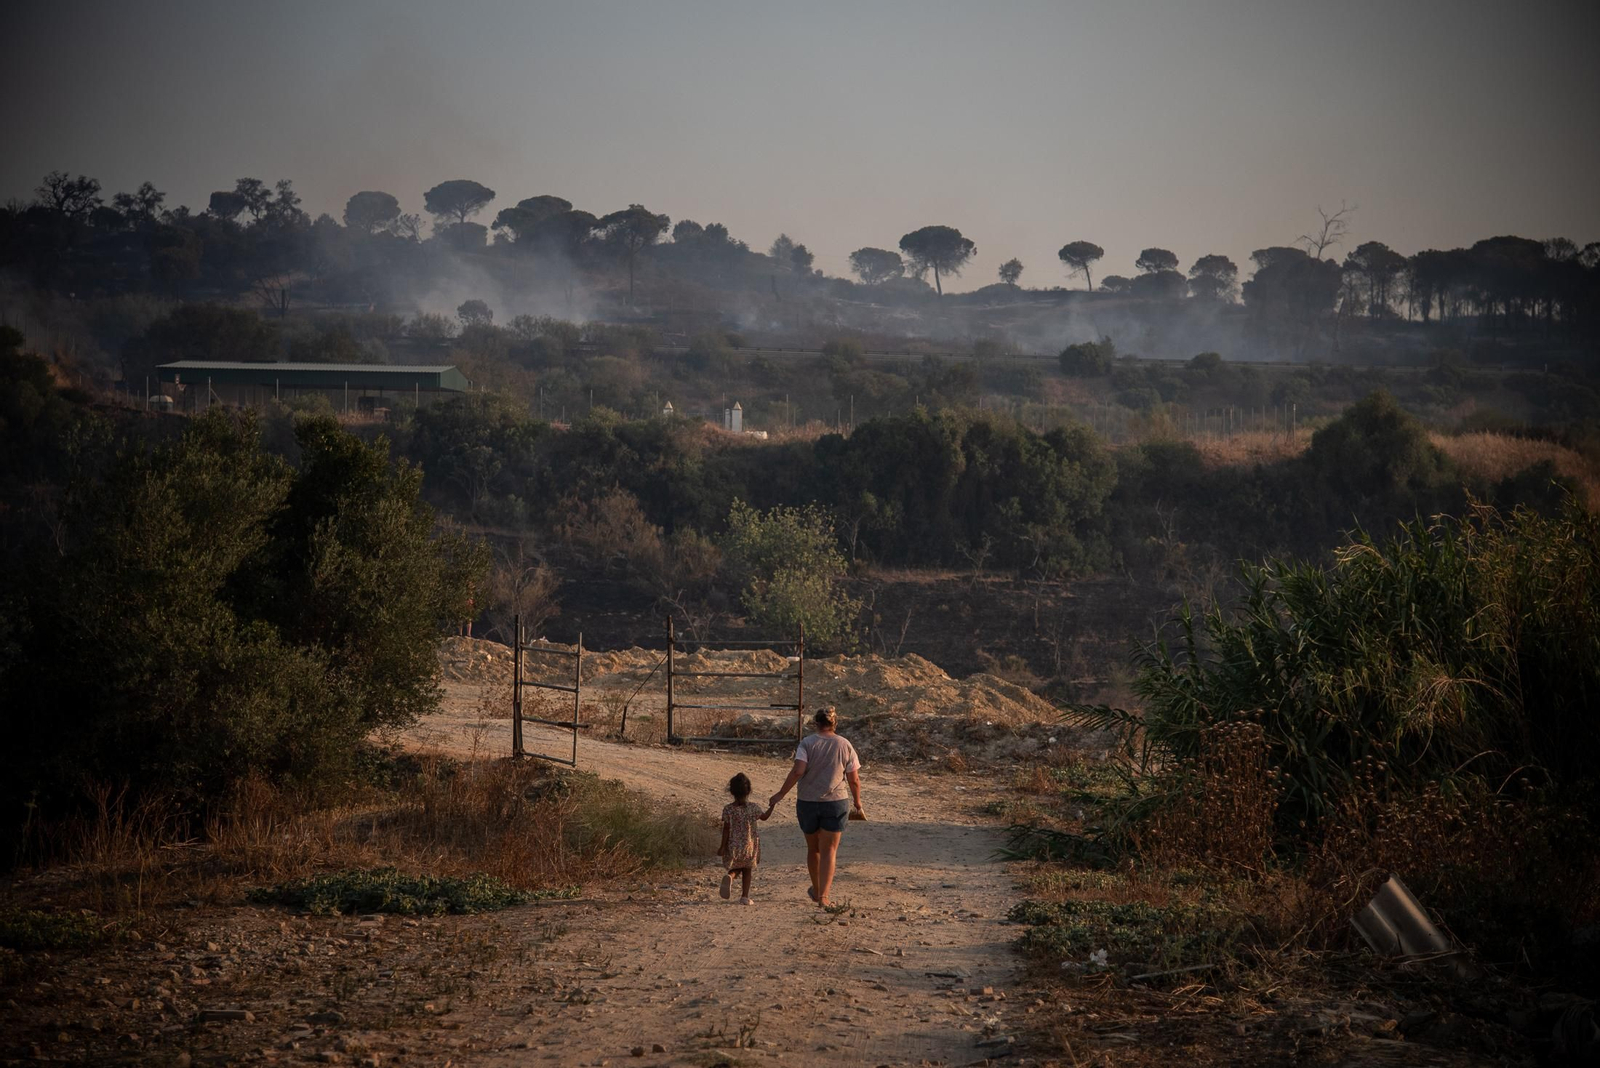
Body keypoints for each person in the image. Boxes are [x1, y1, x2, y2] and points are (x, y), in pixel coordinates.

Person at [767, 707, 865, 907]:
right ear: (834, 723)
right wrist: (857, 802)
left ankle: (817, 889)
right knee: (829, 850)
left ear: (816, 723)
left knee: (813, 849)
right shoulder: (845, 744)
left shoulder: (807, 743)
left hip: (808, 802)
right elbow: (853, 779)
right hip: (835, 803)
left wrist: (781, 794)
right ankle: (824, 897)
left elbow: (798, 771)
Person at [718, 772, 771, 904]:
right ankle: (745, 896)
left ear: (731, 791)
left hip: (733, 845)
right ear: (749, 791)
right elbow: (764, 817)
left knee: (737, 866)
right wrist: (773, 806)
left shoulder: (728, 809)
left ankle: (730, 876)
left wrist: (722, 847)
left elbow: (726, 829)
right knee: (747, 869)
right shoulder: (753, 808)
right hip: (749, 844)